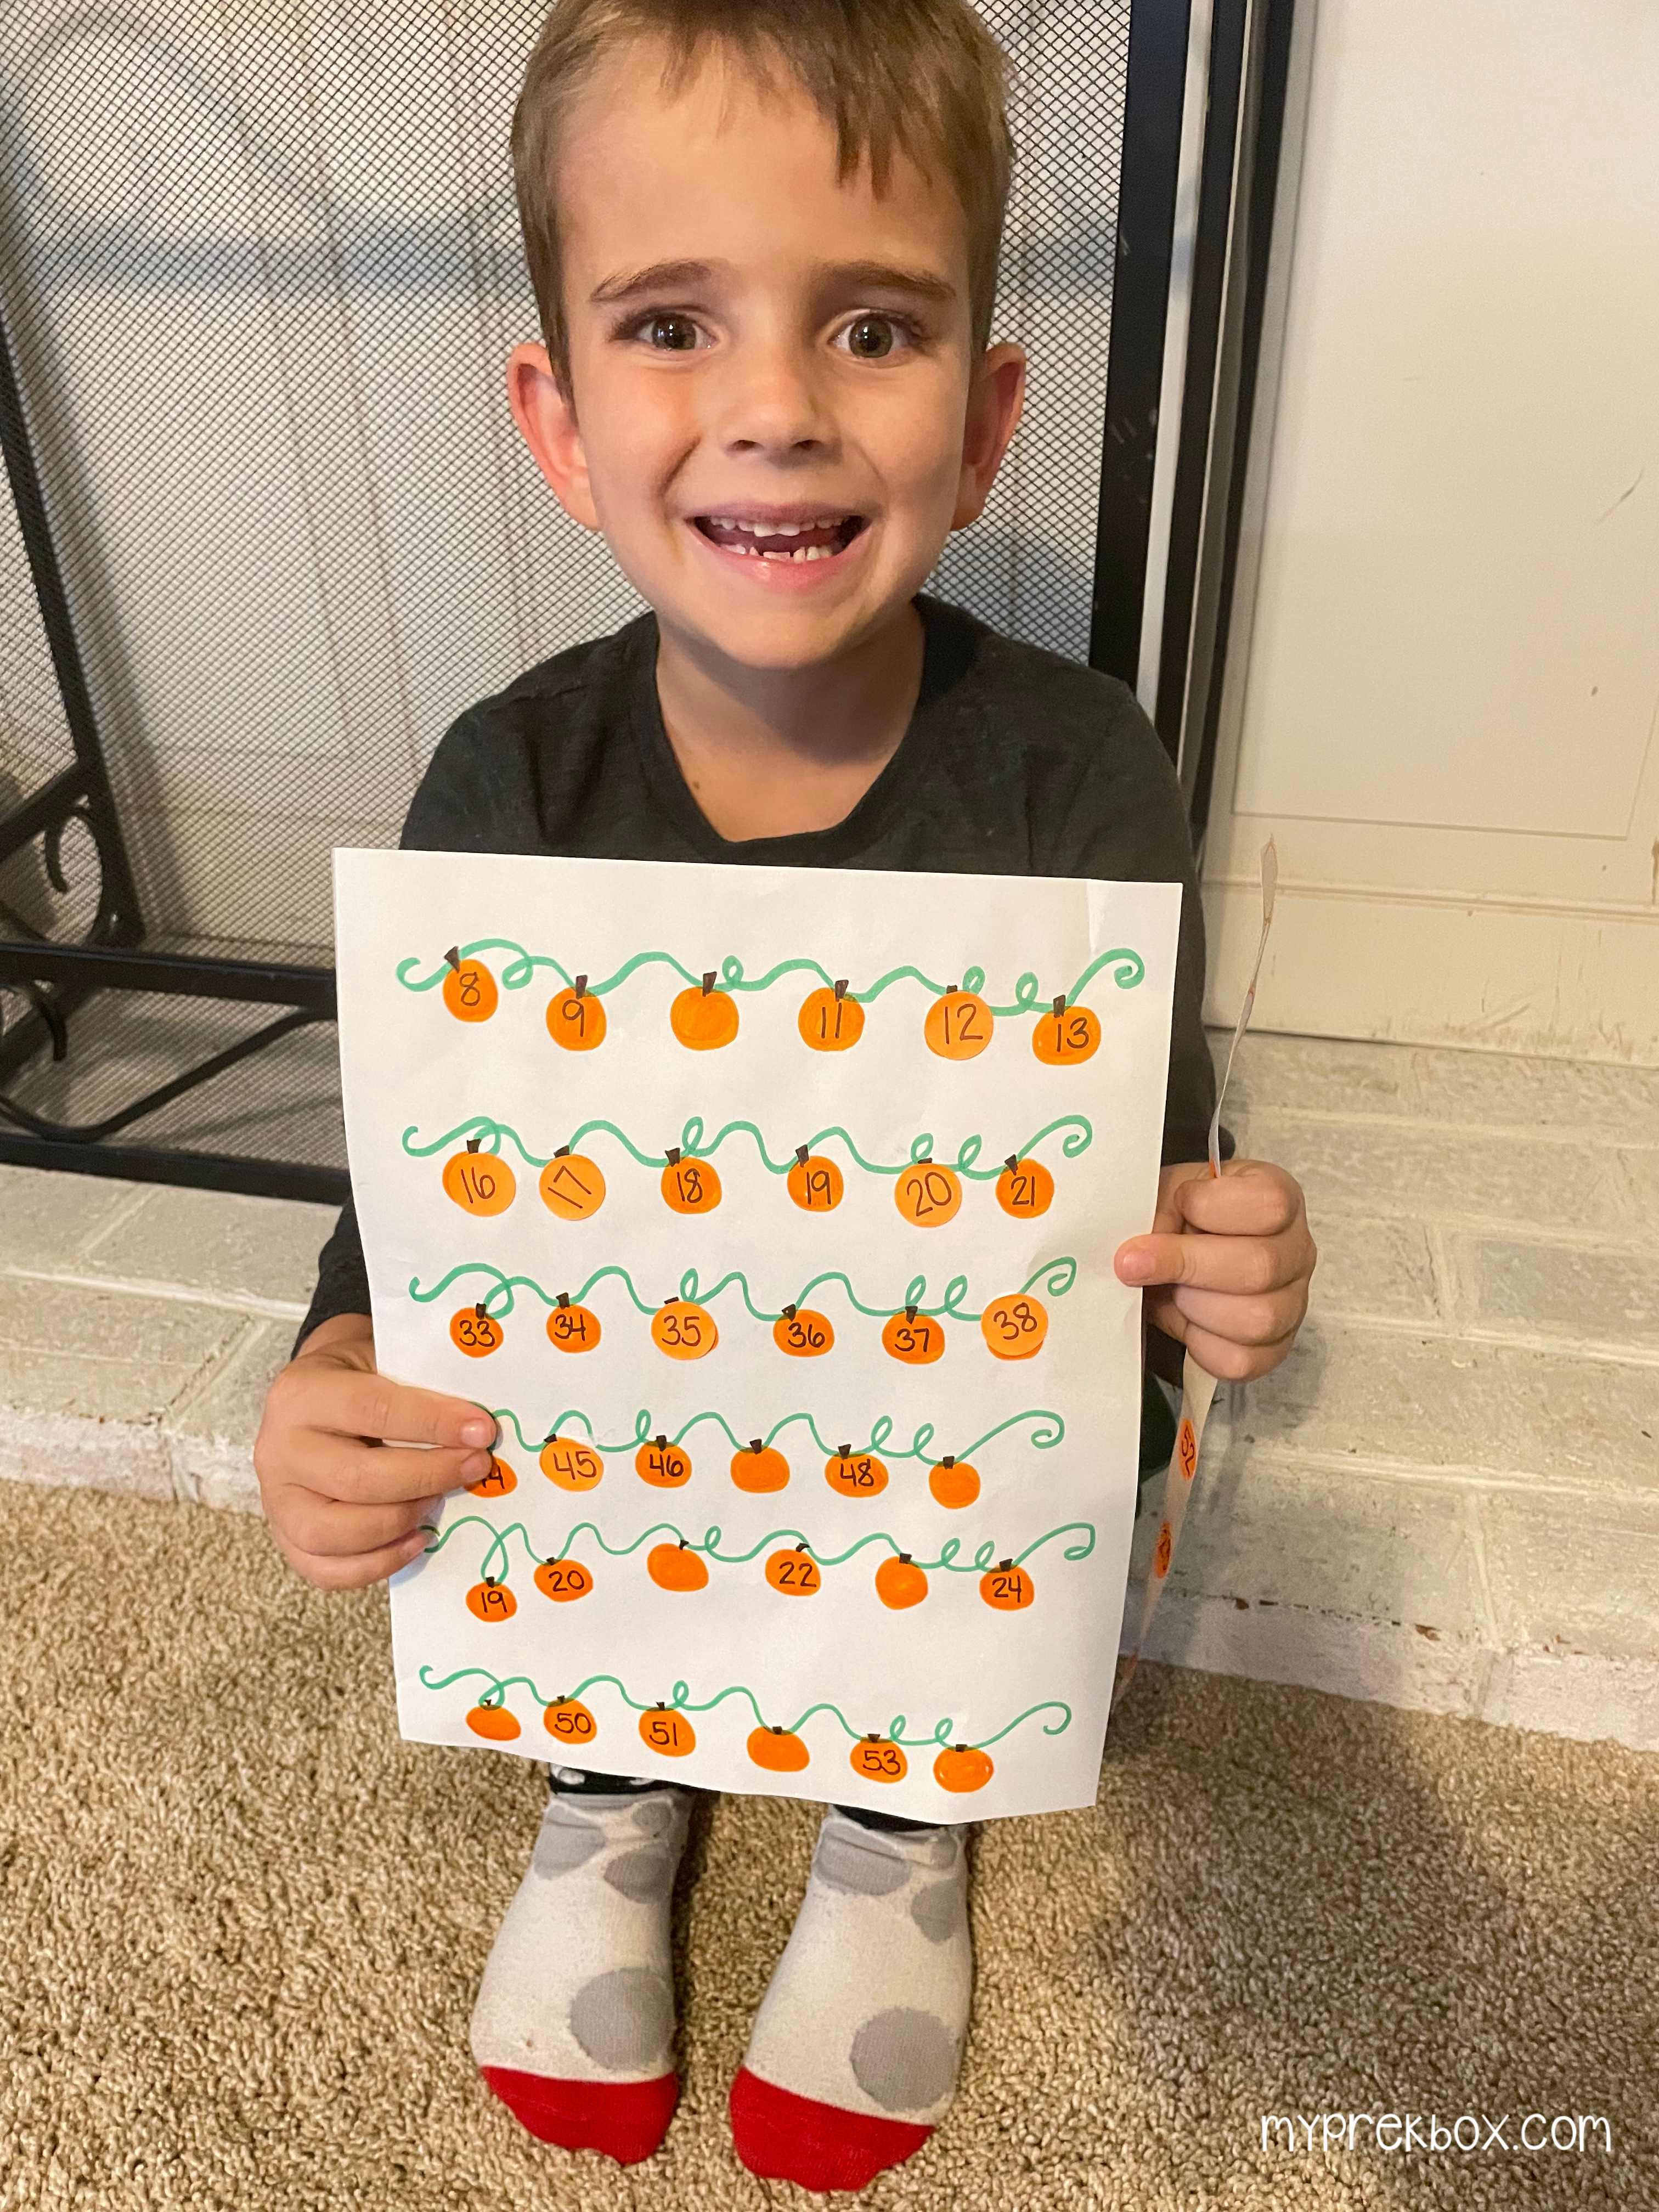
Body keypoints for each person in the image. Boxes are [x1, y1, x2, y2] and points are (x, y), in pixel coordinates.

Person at [253, 0, 1316, 2190]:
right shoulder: (504, 790)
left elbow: (1143, 1189)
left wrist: (1222, 1264)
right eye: (669, 323)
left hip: (932, 1542)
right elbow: (420, 1221)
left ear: (985, 417)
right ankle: (610, 1764)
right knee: (537, 1417)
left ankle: (898, 1811)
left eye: (873, 327)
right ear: (554, 419)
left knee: (1009, 1442)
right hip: (603, 1524)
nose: (774, 410)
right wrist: (335, 1366)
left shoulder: (1079, 779)